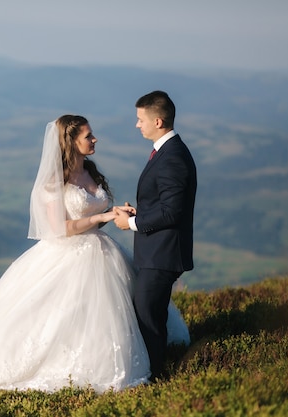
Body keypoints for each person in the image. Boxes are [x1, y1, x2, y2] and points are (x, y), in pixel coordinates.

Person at [0, 115, 188, 394]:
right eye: (88, 136)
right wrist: (101, 215)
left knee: (110, 313)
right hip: (67, 256)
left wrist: (114, 214)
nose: (94, 139)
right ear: (70, 142)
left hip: (102, 251)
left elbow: (92, 216)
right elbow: (61, 228)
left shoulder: (90, 170)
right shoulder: (53, 183)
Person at [112, 91, 197, 381]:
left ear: (157, 121)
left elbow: (172, 212)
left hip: (162, 254)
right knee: (149, 314)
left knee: (148, 319)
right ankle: (155, 373)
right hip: (158, 251)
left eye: (140, 119)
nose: (137, 125)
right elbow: (165, 203)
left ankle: (156, 379)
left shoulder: (172, 157)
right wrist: (140, 211)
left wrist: (133, 224)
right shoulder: (168, 151)